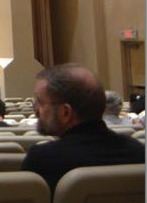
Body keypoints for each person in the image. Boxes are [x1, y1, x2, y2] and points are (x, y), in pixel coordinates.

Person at [22, 64, 144, 194]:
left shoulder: (41, 160)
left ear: (65, 112)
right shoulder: (139, 152)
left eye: (40, 102)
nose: (36, 110)